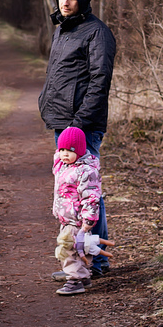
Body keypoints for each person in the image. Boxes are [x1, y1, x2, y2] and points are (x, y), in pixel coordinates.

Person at [39, 0, 116, 279]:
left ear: (83, 0)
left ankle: (94, 264)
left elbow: (100, 82)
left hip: (81, 126)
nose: (66, 2)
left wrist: (79, 125)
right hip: (63, 123)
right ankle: (82, 261)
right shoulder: (63, 29)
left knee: (86, 192)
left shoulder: (98, 34)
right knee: (74, 193)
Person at [52, 126, 102, 295]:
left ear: (80, 151)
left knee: (68, 249)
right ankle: (84, 277)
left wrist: (88, 220)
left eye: (70, 150)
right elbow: (57, 158)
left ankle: (74, 281)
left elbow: (91, 197)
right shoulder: (63, 166)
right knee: (80, 248)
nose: (65, 154)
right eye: (62, 150)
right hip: (67, 217)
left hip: (78, 218)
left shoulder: (86, 171)